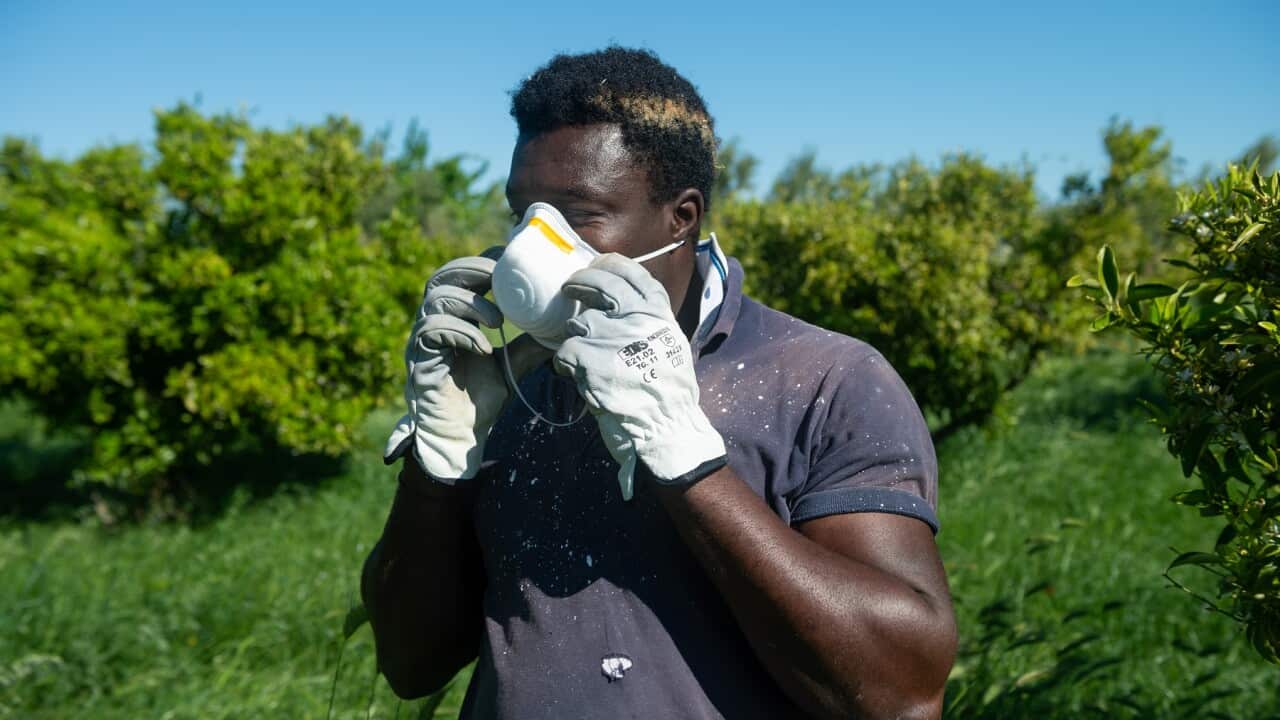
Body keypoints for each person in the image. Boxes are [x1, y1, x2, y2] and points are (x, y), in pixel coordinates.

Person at [362, 46, 956, 719]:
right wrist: (441, 458)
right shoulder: (511, 386)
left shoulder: (824, 380)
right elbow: (412, 665)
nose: (534, 245)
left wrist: (687, 462)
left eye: (579, 214)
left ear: (682, 218)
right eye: (523, 213)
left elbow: (901, 690)